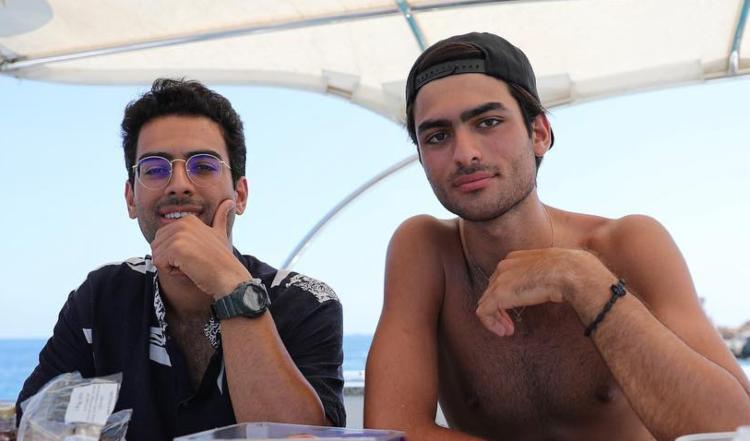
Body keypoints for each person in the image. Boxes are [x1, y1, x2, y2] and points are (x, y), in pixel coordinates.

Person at [364, 32, 750, 440]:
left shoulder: (628, 244)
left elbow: (734, 427)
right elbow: (392, 431)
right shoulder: (427, 251)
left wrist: (581, 278)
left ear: (539, 134)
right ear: (422, 158)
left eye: (488, 122)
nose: (465, 154)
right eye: (437, 136)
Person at [17, 79, 345, 439]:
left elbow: (303, 437)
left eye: (203, 166)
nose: (178, 184)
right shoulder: (101, 298)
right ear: (131, 198)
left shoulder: (304, 301)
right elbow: (34, 426)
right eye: (154, 169)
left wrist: (231, 286)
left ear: (240, 195)